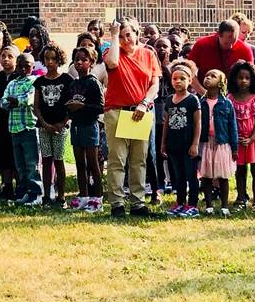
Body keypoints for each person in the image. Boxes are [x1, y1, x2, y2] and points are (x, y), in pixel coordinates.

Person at [101, 21, 162, 218]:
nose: (125, 40)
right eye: (121, 36)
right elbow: (112, 64)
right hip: (117, 112)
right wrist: (114, 35)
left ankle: (138, 202)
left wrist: (144, 103)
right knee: (117, 159)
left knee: (139, 160)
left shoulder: (148, 54)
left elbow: (155, 84)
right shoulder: (112, 52)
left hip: (140, 112)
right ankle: (117, 203)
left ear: (137, 34)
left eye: (128, 35)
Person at [160, 60, 205, 217]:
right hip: (173, 144)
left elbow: (198, 123)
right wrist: (163, 143)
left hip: (188, 144)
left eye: (182, 78)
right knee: (178, 176)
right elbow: (166, 123)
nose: (178, 81)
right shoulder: (169, 100)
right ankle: (180, 202)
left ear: (190, 80)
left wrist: (195, 144)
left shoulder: (193, 100)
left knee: (190, 174)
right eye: (175, 78)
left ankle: (192, 205)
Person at [32, 45, 73, 207]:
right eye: (47, 59)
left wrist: (62, 123)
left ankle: (61, 196)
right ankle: (47, 196)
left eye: (53, 59)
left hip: (60, 128)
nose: (49, 62)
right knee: (46, 161)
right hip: (44, 126)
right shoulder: (39, 82)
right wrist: (44, 123)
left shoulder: (67, 80)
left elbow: (70, 104)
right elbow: (36, 106)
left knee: (59, 160)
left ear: (59, 60)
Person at [65, 45, 104, 210]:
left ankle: (98, 198)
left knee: (92, 163)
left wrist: (82, 106)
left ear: (91, 62)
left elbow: (101, 107)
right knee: (79, 163)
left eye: (84, 60)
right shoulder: (73, 84)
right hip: (76, 127)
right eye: (77, 60)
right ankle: (83, 195)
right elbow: (66, 104)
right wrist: (70, 107)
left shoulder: (93, 83)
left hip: (90, 126)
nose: (79, 63)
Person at [196, 68, 239, 215]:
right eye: (206, 75)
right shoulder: (200, 102)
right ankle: (208, 205)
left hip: (222, 143)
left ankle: (225, 206)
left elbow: (232, 126)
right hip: (205, 142)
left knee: (222, 176)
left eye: (212, 76)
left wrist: (234, 148)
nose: (207, 78)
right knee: (206, 175)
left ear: (220, 83)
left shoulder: (226, 104)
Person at [1, 52, 40, 209]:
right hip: (14, 128)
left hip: (29, 126)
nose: (24, 69)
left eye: (27, 66)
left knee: (32, 163)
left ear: (33, 67)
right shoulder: (12, 83)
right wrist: (9, 102)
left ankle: (35, 192)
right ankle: (23, 191)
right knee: (20, 164)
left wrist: (16, 101)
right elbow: (3, 101)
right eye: (20, 66)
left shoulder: (34, 81)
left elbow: (29, 99)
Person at [228, 61, 255, 211]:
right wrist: (235, 137)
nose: (243, 81)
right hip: (237, 140)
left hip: (253, 140)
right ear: (234, 79)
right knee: (240, 170)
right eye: (240, 77)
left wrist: (251, 138)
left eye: (247, 78)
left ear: (252, 80)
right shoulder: (230, 98)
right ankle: (241, 198)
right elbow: (229, 120)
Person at [187, 19, 255, 82]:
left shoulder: (245, 49)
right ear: (218, 34)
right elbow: (188, 71)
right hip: (205, 89)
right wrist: (203, 93)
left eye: (234, 42)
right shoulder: (202, 44)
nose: (230, 46)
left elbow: (251, 76)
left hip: (234, 94)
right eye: (226, 43)